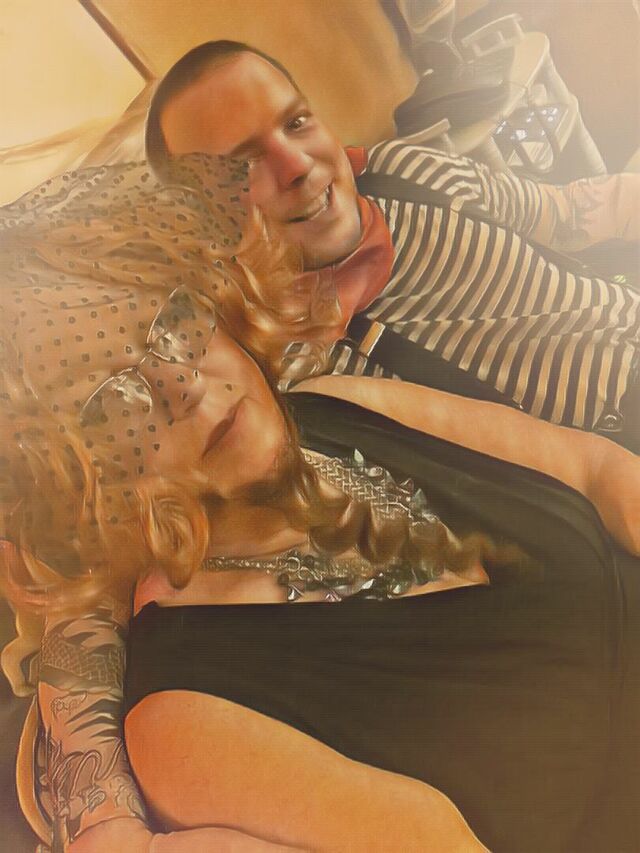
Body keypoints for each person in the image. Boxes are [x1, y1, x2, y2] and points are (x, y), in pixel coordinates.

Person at [1, 158, 640, 853]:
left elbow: (596, 468)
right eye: (115, 405)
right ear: (77, 488)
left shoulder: (335, 406)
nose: (183, 384)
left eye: (172, 323)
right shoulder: (189, 719)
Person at [145, 40, 640, 451]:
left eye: (295, 123)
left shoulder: (405, 173)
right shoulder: (303, 372)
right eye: (241, 166)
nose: (297, 165)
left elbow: (561, 214)